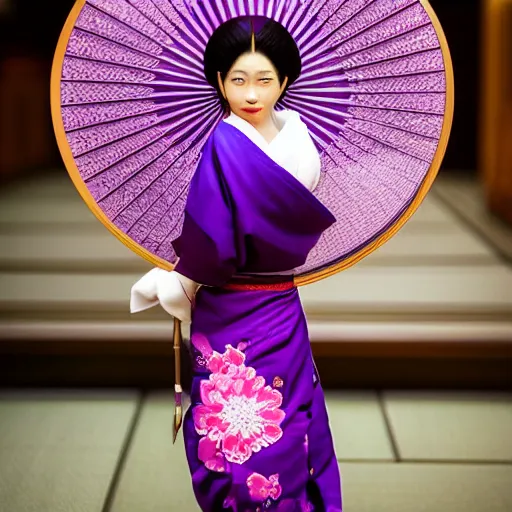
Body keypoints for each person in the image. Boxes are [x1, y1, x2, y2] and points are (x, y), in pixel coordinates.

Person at [131, 16, 342, 512]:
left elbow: (211, 247)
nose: (251, 93)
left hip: (247, 303)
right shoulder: (292, 145)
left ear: (285, 81)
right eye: (238, 80)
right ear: (219, 82)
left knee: (266, 423)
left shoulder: (232, 146)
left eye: (264, 80)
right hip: (261, 304)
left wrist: (174, 285)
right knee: (265, 421)